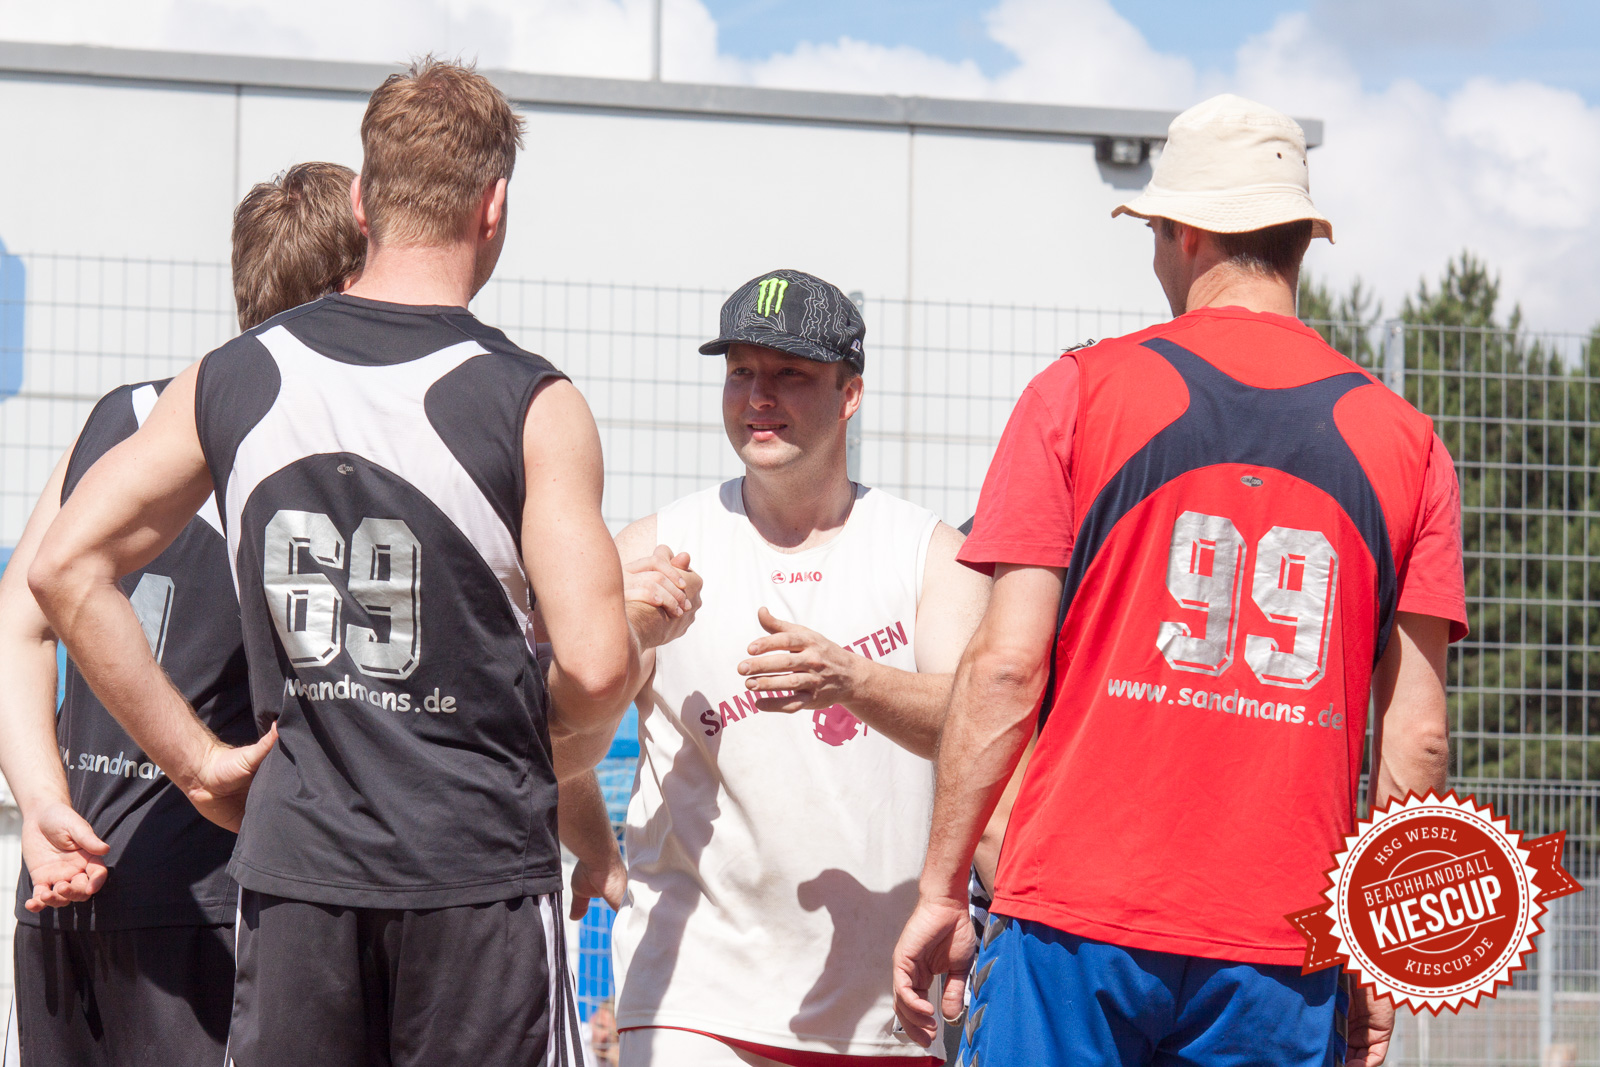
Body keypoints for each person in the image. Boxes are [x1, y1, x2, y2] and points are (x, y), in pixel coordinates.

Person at [27, 60, 678, 1067]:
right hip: (474, 875)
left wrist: (198, 764)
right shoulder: (529, 399)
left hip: (297, 879)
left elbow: (62, 570)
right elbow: (594, 669)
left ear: (366, 199)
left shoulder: (235, 377)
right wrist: (596, 667)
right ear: (494, 207)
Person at [892, 94, 1467, 1067]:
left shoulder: (1077, 393)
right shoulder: (1408, 443)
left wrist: (943, 887)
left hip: (1075, 918)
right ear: (1299, 242)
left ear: (1185, 232)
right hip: (1282, 941)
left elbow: (1005, 667)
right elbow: (1417, 735)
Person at [0, 161, 364, 1067]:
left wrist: (43, 802)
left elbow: (16, 623)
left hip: (66, 881)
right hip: (210, 912)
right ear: (352, 283)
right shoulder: (313, 459)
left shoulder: (123, 417)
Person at [602, 268, 991, 1066]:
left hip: (886, 1010)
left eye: (790, 374)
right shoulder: (652, 551)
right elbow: (557, 713)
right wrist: (590, 841)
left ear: (850, 394)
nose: (758, 396)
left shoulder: (930, 554)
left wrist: (854, 680)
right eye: (741, 371)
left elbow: (980, 726)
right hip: (691, 1000)